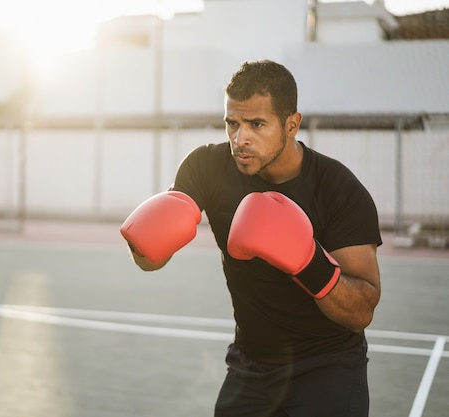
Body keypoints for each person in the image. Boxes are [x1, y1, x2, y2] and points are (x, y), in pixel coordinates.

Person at [120, 59, 382, 417]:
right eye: (232, 123)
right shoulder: (206, 167)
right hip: (250, 364)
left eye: (256, 124)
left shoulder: (338, 190)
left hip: (327, 365)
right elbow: (150, 260)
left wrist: (307, 261)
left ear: (291, 124)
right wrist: (145, 242)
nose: (240, 138)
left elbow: (361, 311)